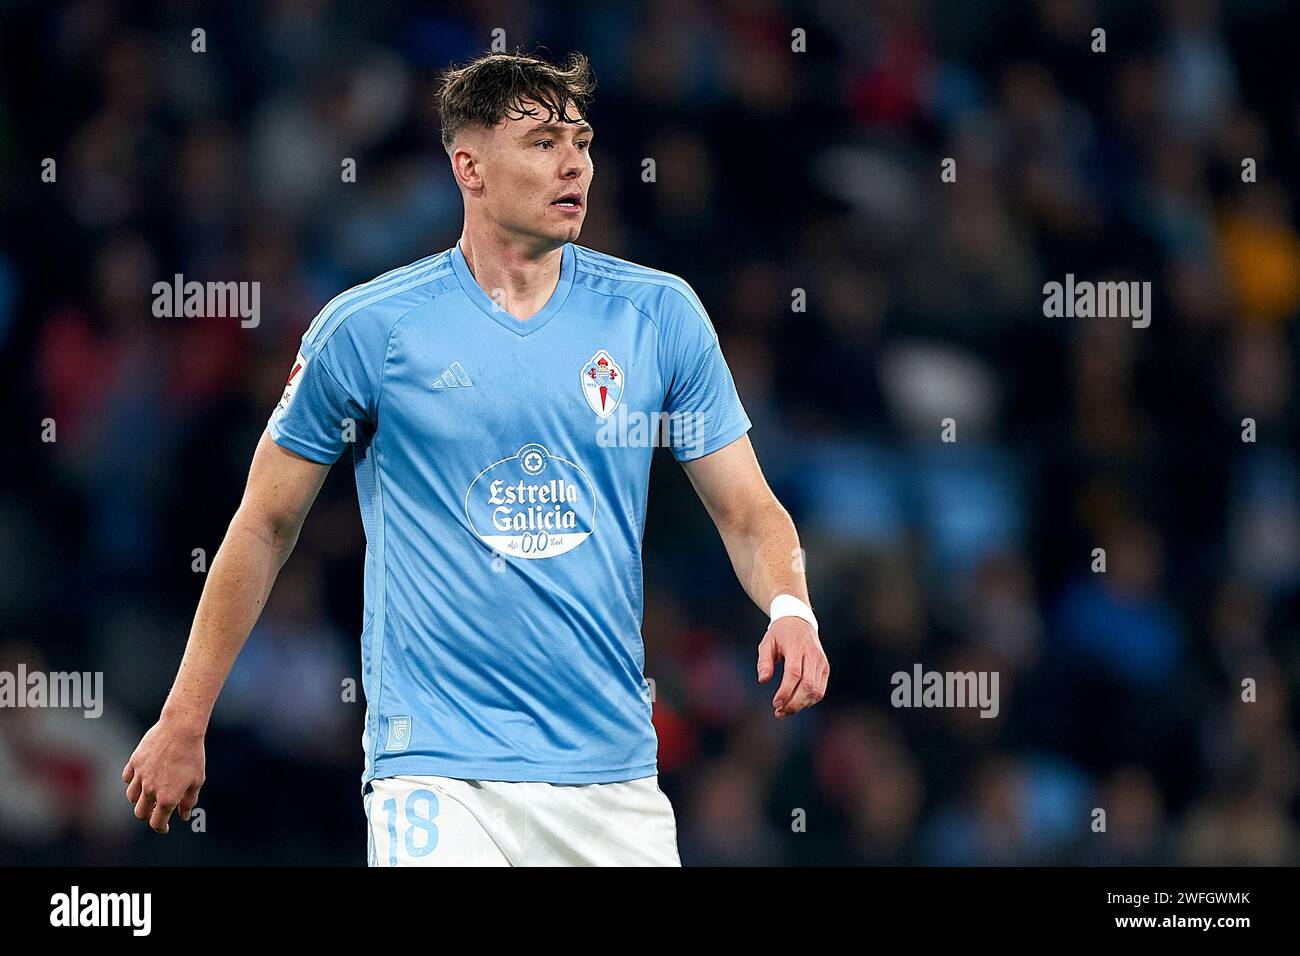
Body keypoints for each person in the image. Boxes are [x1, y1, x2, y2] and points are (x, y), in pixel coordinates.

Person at [122, 50, 828, 866]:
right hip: (437, 770)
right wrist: (185, 716)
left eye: (584, 141)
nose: (574, 164)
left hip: (611, 777)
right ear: (469, 166)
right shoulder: (370, 330)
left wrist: (792, 608)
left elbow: (747, 511)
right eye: (542, 142)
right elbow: (265, 523)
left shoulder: (658, 315)